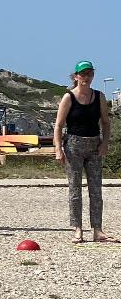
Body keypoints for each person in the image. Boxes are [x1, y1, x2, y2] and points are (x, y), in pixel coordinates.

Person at [54, 60, 115, 243]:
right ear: (76, 76)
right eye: (83, 74)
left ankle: (97, 230)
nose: (86, 77)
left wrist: (105, 143)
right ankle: (78, 229)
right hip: (74, 146)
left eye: (89, 74)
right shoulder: (68, 97)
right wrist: (58, 148)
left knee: (96, 190)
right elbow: (58, 125)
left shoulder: (99, 96)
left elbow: (105, 122)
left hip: (94, 145)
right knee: (75, 189)